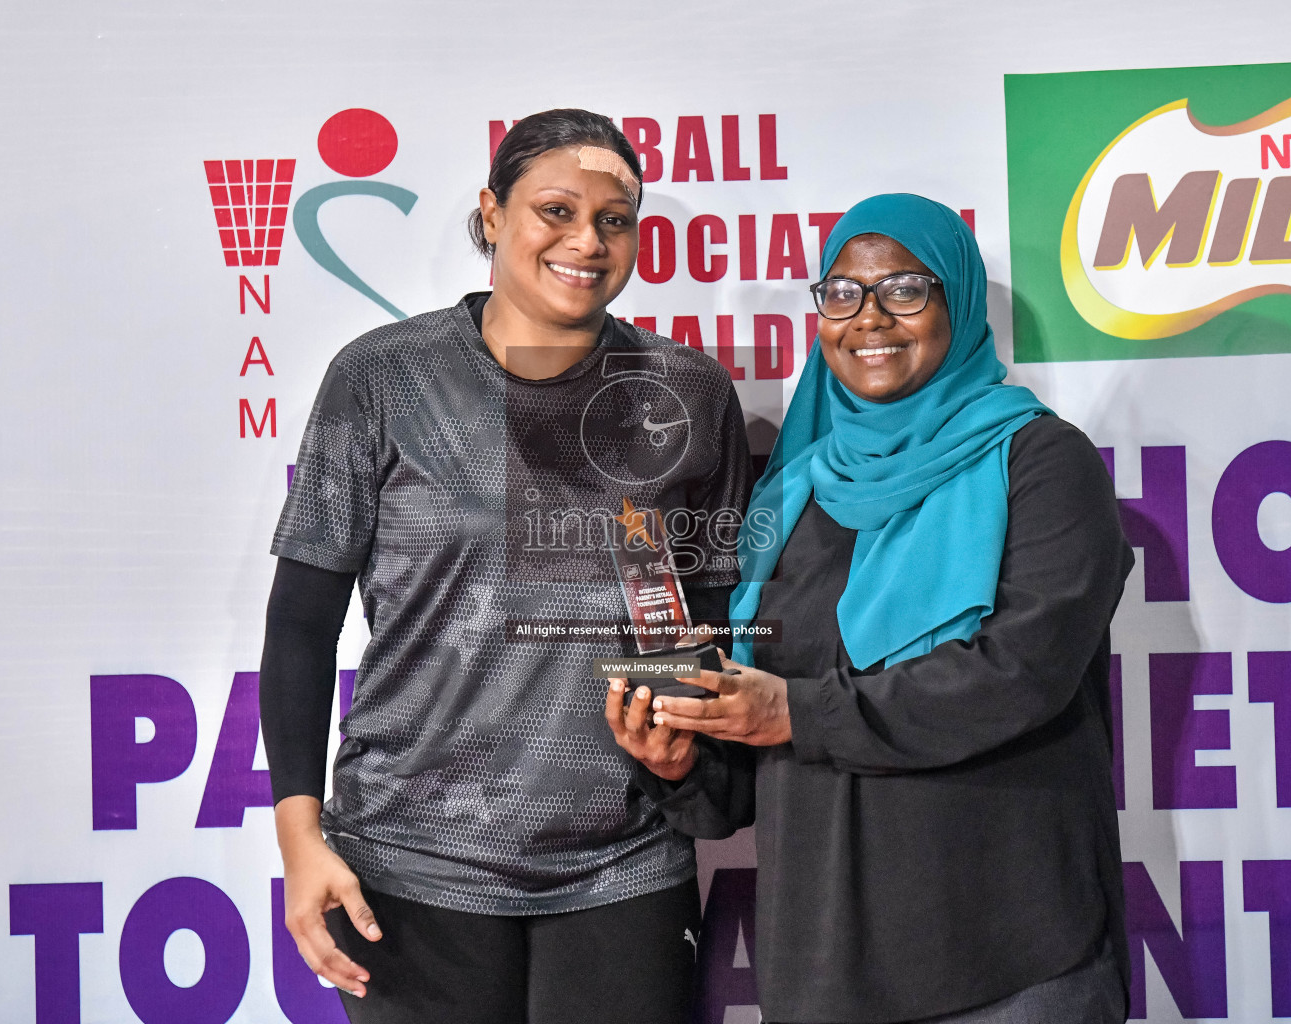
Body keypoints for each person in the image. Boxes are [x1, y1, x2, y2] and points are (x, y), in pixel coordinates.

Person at [260, 107, 751, 1024]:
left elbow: (709, 616)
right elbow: (299, 623)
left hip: (625, 861)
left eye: (614, 219)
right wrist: (300, 838)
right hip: (411, 860)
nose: (586, 241)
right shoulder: (383, 378)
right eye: (554, 210)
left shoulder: (688, 392)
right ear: (492, 214)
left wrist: (686, 749)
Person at [608, 194, 1134, 1023]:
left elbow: (1018, 675)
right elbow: (759, 758)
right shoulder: (789, 490)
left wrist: (796, 712)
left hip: (1007, 960)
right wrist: (684, 762)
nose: (869, 318)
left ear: (956, 303)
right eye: (843, 293)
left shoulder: (1039, 462)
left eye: (905, 290)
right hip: (824, 970)